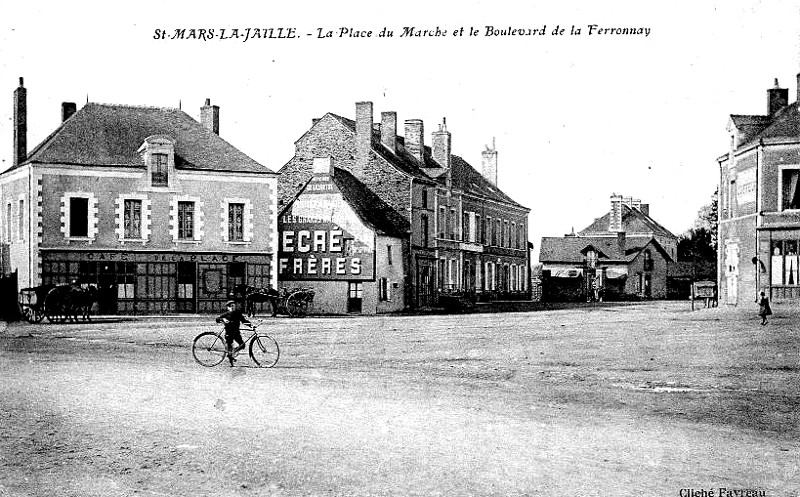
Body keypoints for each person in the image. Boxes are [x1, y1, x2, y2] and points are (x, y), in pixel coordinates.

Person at [216, 300, 252, 366]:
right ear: (228, 308)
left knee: (242, 345)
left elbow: (244, 321)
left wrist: (251, 325)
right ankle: (231, 360)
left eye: (233, 306)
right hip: (229, 333)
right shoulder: (226, 314)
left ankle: (233, 352)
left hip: (236, 333)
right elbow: (217, 319)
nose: (232, 307)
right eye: (230, 306)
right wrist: (223, 319)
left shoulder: (238, 313)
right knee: (229, 346)